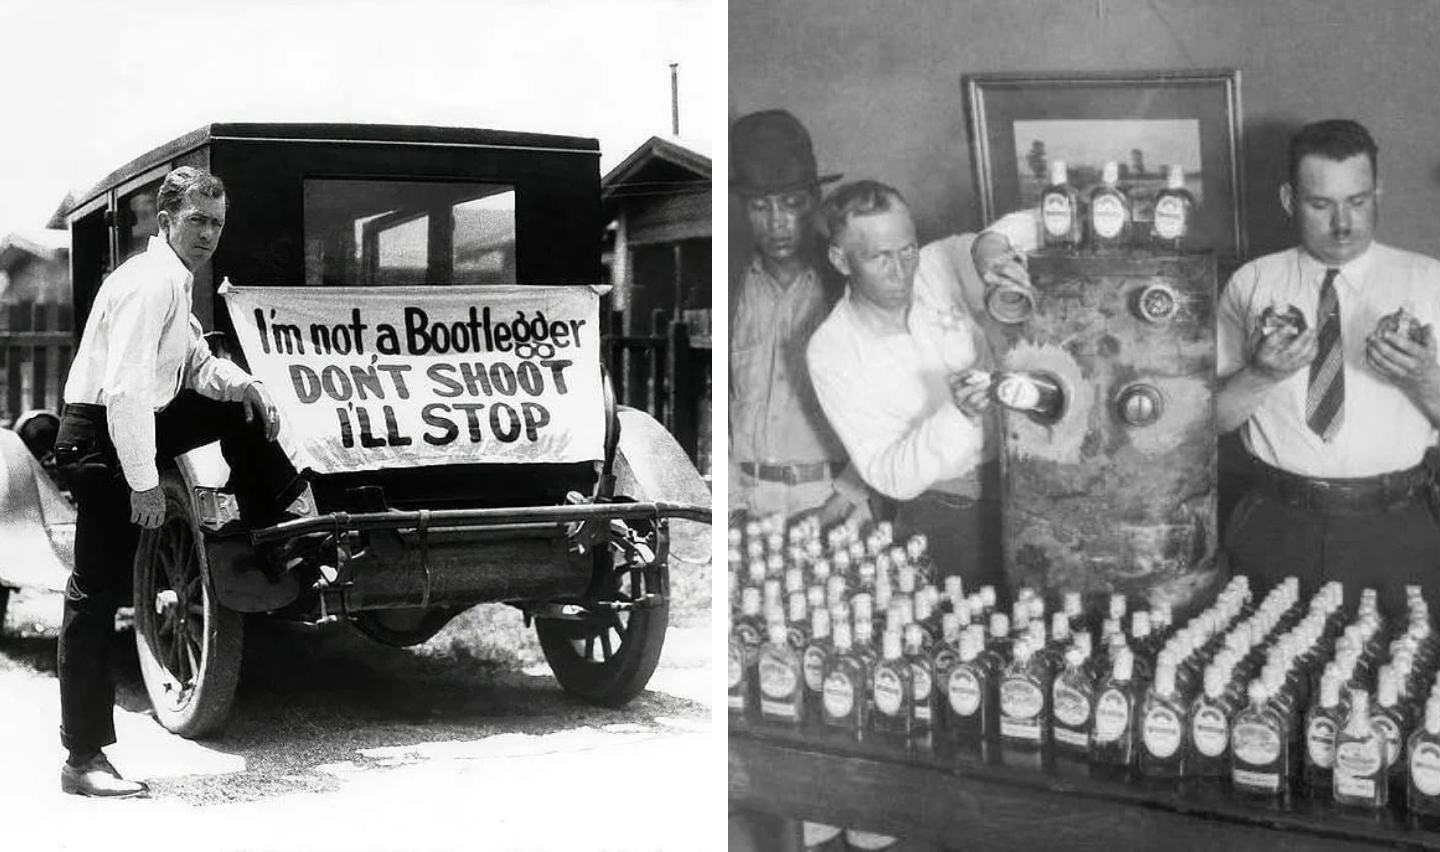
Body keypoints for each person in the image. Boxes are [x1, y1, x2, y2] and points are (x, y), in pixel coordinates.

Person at [54, 166, 307, 797]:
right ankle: (82, 760)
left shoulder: (175, 277)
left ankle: (284, 523)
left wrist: (244, 383)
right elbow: (126, 388)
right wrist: (143, 483)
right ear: (165, 220)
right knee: (94, 594)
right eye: (197, 220)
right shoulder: (148, 283)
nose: (208, 234)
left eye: (217, 223)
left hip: (136, 422)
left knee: (237, 403)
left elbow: (193, 364)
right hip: (99, 437)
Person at [1217, 119, 1440, 612]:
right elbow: (1209, 422)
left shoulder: (1430, 282)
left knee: (1398, 678)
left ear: (1378, 192)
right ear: (1288, 200)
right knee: (1258, 676)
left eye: (1358, 201)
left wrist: (1424, 378)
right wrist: (1260, 374)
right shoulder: (1252, 284)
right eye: (1320, 205)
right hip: (1275, 524)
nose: (1343, 224)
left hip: (1396, 529)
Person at [807, 179, 1002, 592]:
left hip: (1021, 485)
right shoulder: (833, 351)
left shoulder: (938, 264)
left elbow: (1017, 233)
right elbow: (887, 474)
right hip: (946, 516)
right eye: (879, 258)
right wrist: (959, 414)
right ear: (841, 260)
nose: (901, 272)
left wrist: (995, 251)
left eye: (907, 250)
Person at [730, 109, 868, 526]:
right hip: (748, 507)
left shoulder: (851, 286)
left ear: (813, 202)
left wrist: (842, 501)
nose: (777, 222)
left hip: (833, 501)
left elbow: (888, 409)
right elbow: (716, 407)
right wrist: (734, 507)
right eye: (760, 206)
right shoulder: (728, 289)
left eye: (790, 204)